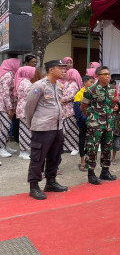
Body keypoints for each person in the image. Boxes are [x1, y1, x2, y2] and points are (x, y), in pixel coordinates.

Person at [25, 59, 68, 200]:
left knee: (55, 156)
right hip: (42, 128)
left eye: (65, 68)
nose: (64, 71)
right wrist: (31, 124)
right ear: (51, 70)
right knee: (38, 158)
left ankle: (51, 182)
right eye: (61, 68)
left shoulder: (58, 86)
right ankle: (34, 186)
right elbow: (29, 107)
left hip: (57, 127)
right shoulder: (39, 86)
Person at [81, 65, 118, 185]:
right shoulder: (90, 90)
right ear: (98, 76)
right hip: (95, 123)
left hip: (109, 123)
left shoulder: (112, 88)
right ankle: (91, 174)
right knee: (92, 148)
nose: (107, 76)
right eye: (104, 74)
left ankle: (105, 171)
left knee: (107, 147)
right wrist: (92, 118)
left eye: (108, 74)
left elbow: (114, 104)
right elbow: (83, 106)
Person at [14, 66, 36, 160]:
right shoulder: (26, 83)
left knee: (24, 129)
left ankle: (24, 150)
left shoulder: (21, 81)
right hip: (25, 109)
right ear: (28, 73)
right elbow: (32, 93)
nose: (34, 74)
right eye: (32, 72)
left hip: (22, 107)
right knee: (25, 130)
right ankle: (23, 151)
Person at [0, 58, 21, 158]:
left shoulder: (10, 73)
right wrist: (10, 108)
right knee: (4, 127)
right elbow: (5, 93)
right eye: (17, 64)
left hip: (6, 105)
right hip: (4, 106)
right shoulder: (7, 75)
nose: (19, 66)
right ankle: (1, 148)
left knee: (6, 127)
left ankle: (4, 145)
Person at [74, 75, 95, 171]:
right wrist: (86, 120)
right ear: (85, 83)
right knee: (82, 140)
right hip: (84, 122)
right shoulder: (79, 94)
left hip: (93, 121)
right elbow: (78, 111)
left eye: (93, 82)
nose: (92, 84)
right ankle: (82, 160)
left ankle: (88, 158)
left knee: (91, 141)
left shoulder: (94, 93)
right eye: (91, 82)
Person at [61, 69, 82, 155]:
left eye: (67, 73)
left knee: (72, 129)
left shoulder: (73, 84)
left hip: (70, 109)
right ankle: (67, 146)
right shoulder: (67, 83)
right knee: (65, 129)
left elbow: (69, 96)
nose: (65, 74)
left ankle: (75, 147)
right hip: (64, 109)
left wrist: (60, 99)